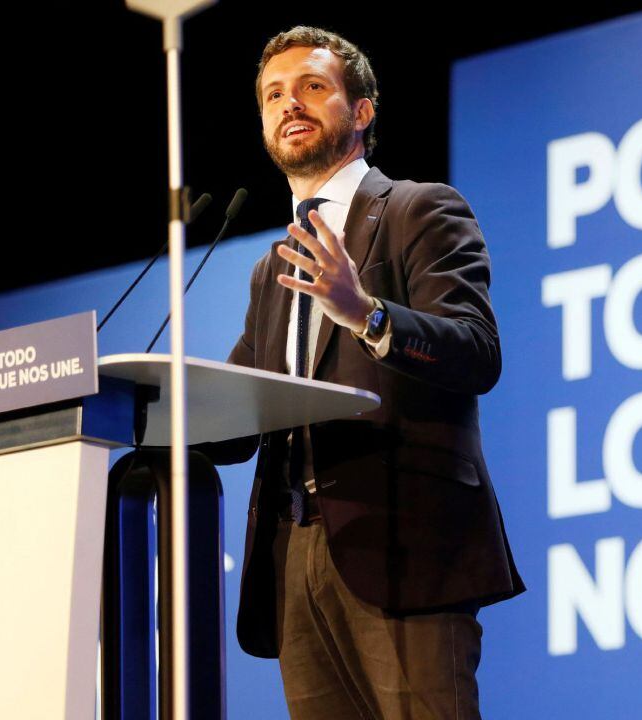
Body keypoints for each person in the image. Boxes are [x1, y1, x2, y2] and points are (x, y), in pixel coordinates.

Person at [211, 25, 524, 720]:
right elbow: (235, 414)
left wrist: (367, 313)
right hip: (296, 556)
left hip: (404, 543)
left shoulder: (420, 210)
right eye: (273, 95)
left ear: (361, 110)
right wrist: (129, 410)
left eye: (312, 87)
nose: (290, 104)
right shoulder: (273, 268)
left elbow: (476, 351)